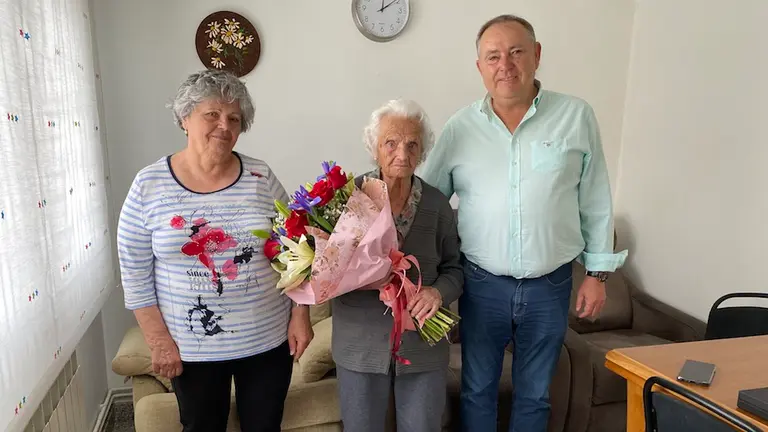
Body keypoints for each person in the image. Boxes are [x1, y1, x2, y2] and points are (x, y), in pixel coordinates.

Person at [419, 14, 628, 432]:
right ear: (479, 67)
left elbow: (596, 200)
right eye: (493, 56)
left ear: (536, 55)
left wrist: (597, 275)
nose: (505, 65)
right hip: (481, 285)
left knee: (535, 394)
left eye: (516, 52)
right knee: (478, 389)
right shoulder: (460, 128)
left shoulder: (575, 116)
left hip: (550, 286)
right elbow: (430, 204)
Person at [116, 69, 313, 432]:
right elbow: (134, 272)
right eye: (212, 114)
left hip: (266, 343)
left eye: (234, 118)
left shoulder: (260, 176)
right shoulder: (149, 184)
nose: (225, 125)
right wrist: (159, 342)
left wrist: (300, 315)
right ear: (184, 118)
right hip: (192, 350)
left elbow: (296, 247)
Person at [331, 99, 463, 432]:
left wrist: (437, 292)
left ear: (422, 151)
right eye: (391, 142)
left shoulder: (436, 204)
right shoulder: (349, 197)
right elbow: (325, 266)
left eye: (412, 144)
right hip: (359, 344)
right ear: (374, 148)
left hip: (422, 345)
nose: (402, 152)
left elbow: (456, 268)